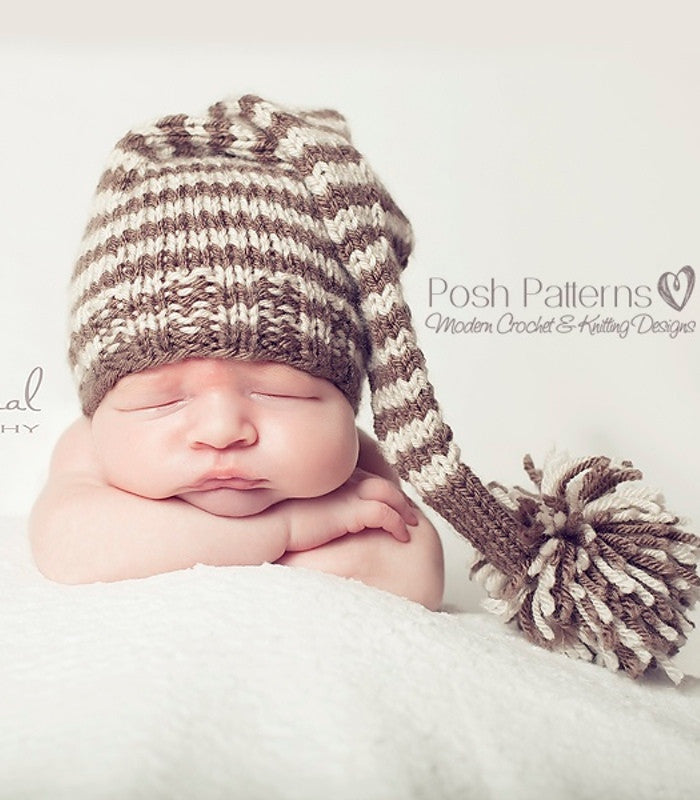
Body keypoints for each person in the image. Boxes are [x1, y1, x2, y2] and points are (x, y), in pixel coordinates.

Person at [29, 94, 445, 610]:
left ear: (347, 398)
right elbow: (72, 550)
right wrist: (286, 531)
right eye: (162, 400)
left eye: (280, 393)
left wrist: (179, 545)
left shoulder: (349, 468)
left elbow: (416, 576)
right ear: (100, 405)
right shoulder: (90, 450)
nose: (224, 431)